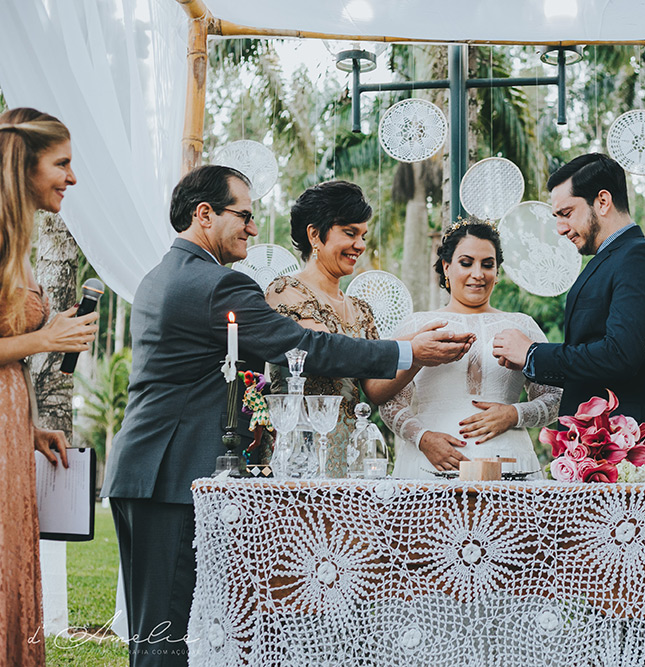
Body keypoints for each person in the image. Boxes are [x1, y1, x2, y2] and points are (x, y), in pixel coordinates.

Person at [100, 165, 473, 666]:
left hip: (145, 468)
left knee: (165, 631)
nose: (254, 229)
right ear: (204, 214)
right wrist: (406, 352)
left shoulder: (162, 274)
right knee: (171, 630)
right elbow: (300, 347)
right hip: (173, 473)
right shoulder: (218, 286)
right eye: (245, 216)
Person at [0, 108, 99, 666]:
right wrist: (46, 339)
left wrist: (29, 427)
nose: (72, 177)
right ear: (24, 165)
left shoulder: (19, 240)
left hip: (11, 426)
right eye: (62, 163)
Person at [492, 152, 645, 426]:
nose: (559, 228)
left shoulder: (641, 258)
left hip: (624, 444)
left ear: (602, 201)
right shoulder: (609, 259)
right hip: (588, 443)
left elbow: (620, 355)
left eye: (566, 213)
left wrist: (532, 354)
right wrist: (528, 362)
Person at [383, 220, 561, 477]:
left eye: (487, 264)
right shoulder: (417, 325)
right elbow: (390, 401)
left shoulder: (522, 325)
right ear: (446, 267)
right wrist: (424, 438)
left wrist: (514, 413)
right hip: (427, 465)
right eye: (466, 263)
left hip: (509, 464)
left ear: (497, 272)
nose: (478, 273)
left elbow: (555, 397)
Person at [265, 180, 388, 476]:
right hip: (298, 455)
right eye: (350, 233)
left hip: (350, 457)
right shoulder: (285, 291)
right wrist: (409, 347)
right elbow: (328, 351)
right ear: (315, 235)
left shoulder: (361, 309)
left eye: (363, 235)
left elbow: (375, 390)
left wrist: (423, 356)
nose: (360, 245)